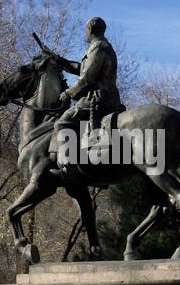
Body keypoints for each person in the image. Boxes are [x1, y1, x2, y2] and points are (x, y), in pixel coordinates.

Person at [48, 17, 124, 170]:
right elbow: (82, 68)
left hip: (98, 96)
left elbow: (87, 77)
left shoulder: (98, 46)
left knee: (63, 122)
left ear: (89, 30)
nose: (85, 34)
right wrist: (59, 60)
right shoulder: (105, 46)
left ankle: (69, 167)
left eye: (85, 31)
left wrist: (68, 93)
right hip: (108, 94)